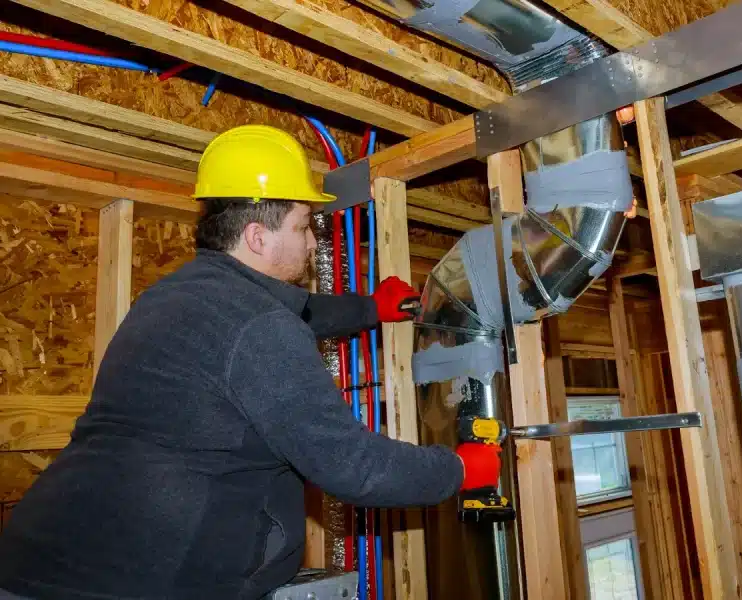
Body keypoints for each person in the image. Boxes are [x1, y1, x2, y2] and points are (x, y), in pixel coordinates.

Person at [0, 125, 501, 600]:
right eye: (304, 227)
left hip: (44, 560)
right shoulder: (260, 328)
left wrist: (372, 308)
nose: (312, 243)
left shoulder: (177, 296)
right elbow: (352, 466)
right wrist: (457, 468)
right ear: (258, 237)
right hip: (139, 582)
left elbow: (291, 313)